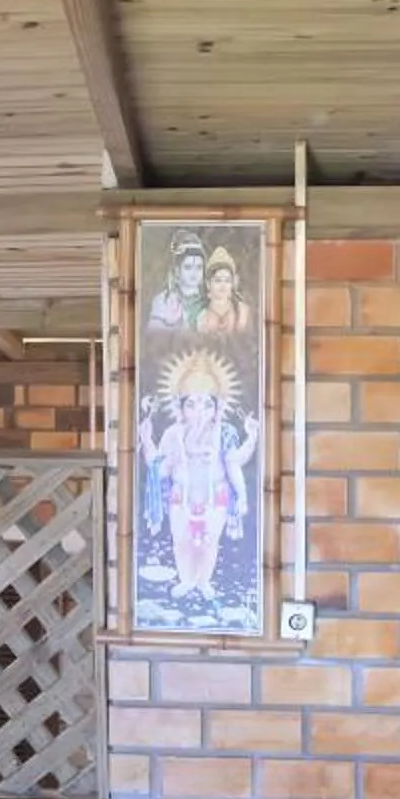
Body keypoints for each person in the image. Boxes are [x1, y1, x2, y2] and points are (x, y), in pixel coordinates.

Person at [140, 352, 259, 610]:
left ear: (218, 407)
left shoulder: (224, 432)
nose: (199, 411)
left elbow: (235, 462)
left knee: (209, 541)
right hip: (180, 497)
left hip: (215, 496)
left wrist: (251, 437)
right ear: (180, 407)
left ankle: (204, 581)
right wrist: (147, 440)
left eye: (207, 404)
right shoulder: (173, 434)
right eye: (191, 404)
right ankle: (186, 580)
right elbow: (159, 468)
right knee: (181, 540)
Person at [146, 233, 205, 331]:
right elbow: (153, 338)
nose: (194, 273)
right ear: (177, 270)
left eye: (199, 267)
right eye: (188, 267)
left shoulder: (207, 301)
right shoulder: (163, 301)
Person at [193, 245, 255, 335]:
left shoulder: (242, 311)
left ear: (233, 283)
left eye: (227, 281)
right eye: (218, 280)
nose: (223, 285)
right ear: (208, 284)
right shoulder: (202, 316)